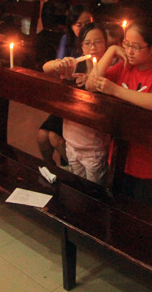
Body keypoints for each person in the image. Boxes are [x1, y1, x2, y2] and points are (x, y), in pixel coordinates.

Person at [86, 18, 152, 213]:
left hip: (150, 162)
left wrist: (116, 90)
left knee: (141, 215)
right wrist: (112, 50)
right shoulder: (124, 67)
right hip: (119, 154)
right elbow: (90, 85)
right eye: (126, 44)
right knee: (116, 211)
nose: (129, 51)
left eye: (136, 47)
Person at [52, 23, 111, 184]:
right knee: (77, 184)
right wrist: (59, 64)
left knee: (93, 188)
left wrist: (91, 81)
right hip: (71, 141)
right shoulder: (76, 66)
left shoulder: (110, 69)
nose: (93, 48)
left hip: (94, 147)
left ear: (106, 44)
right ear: (82, 47)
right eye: (88, 43)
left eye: (98, 42)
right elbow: (46, 68)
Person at [39, 6, 93, 166]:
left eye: (88, 23)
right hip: (68, 97)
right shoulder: (67, 41)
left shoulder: (95, 42)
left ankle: (73, 170)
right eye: (79, 25)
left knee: (54, 137)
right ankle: (51, 169)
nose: (84, 28)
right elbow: (53, 67)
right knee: (42, 135)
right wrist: (60, 65)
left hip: (84, 102)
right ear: (71, 26)